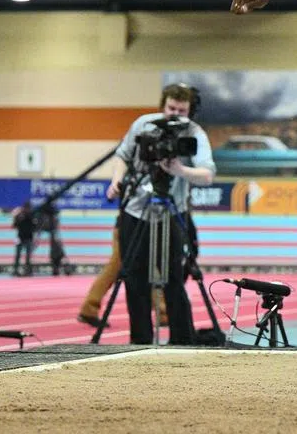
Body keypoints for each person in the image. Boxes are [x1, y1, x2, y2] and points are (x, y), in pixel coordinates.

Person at [87, 83, 215, 344]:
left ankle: (182, 341)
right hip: (136, 209)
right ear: (162, 105)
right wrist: (116, 180)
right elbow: (122, 155)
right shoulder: (143, 124)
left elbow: (207, 174)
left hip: (172, 211)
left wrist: (180, 170)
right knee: (134, 280)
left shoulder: (194, 134)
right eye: (171, 108)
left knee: (173, 279)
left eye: (182, 110)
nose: (175, 115)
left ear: (190, 111)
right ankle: (140, 342)